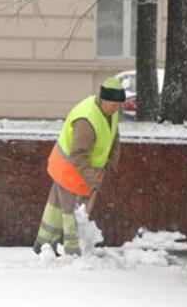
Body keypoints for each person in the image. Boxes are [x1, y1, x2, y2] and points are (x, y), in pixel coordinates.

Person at [33, 77, 125, 256]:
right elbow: (78, 154)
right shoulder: (86, 120)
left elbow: (114, 138)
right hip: (69, 170)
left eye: (119, 106)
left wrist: (111, 163)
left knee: (55, 209)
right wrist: (93, 181)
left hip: (82, 172)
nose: (117, 110)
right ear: (102, 99)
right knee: (72, 216)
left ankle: (43, 245)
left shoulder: (109, 113)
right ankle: (73, 254)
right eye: (114, 105)